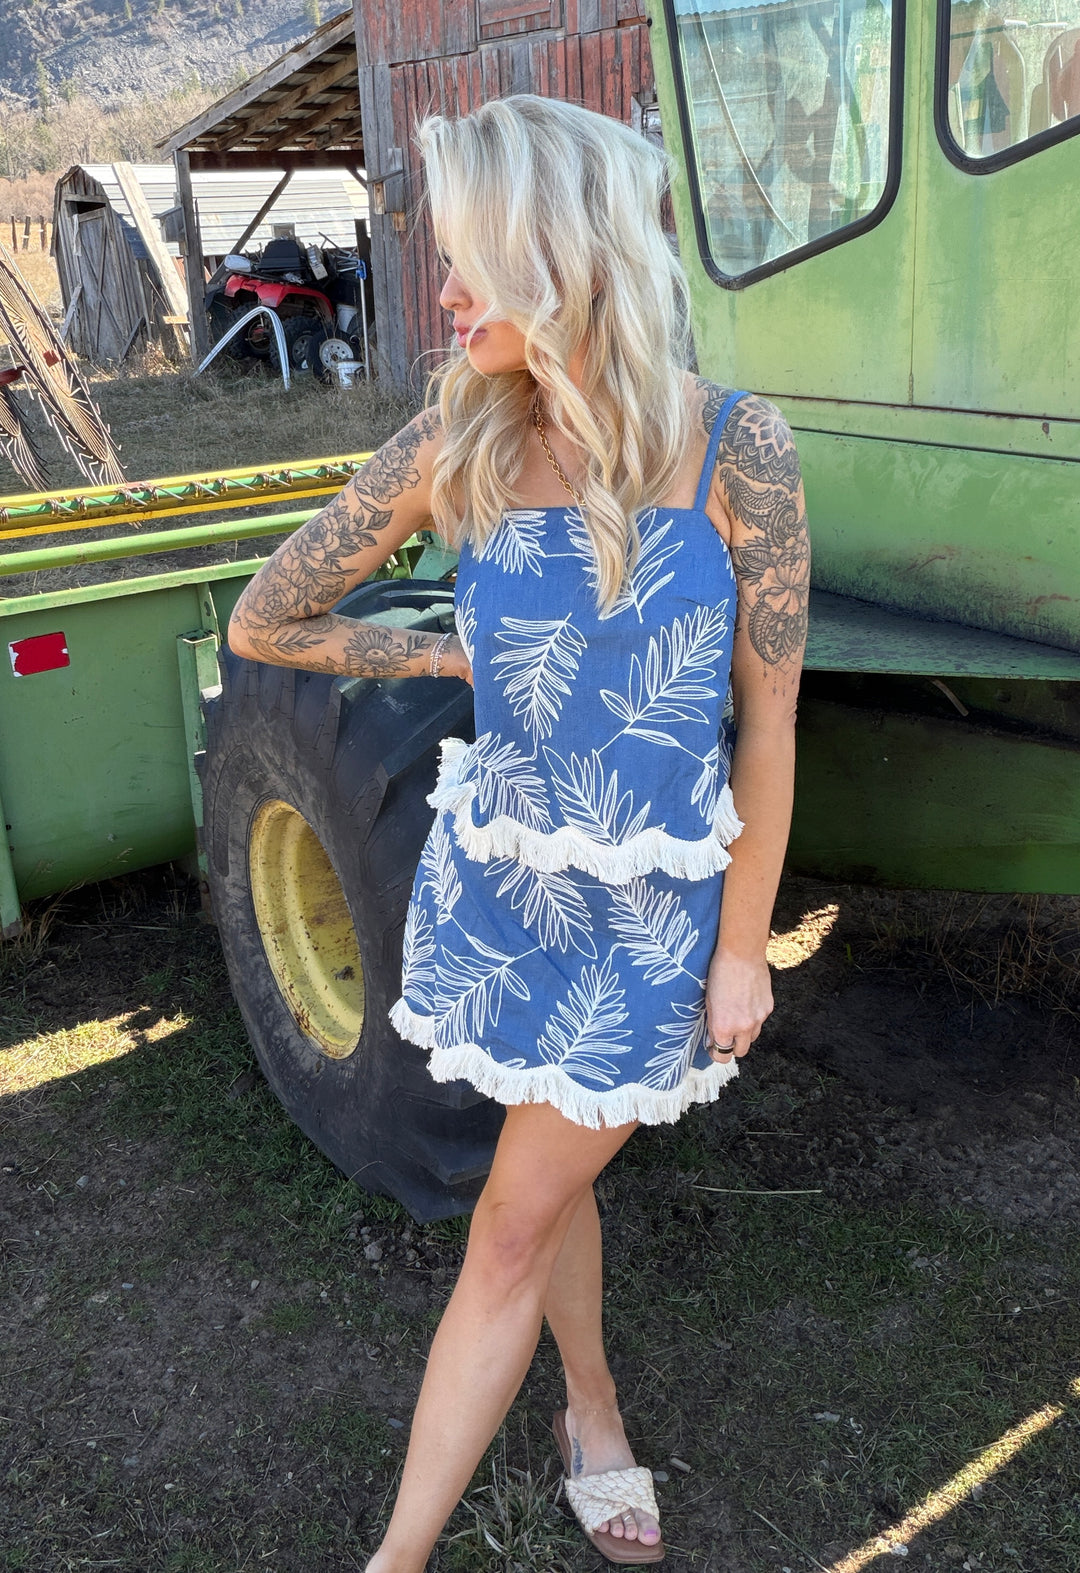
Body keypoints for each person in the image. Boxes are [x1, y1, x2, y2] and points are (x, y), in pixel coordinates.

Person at [229, 94, 808, 1572]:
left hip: (653, 923)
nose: (447, 293)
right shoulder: (460, 439)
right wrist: (435, 661)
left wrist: (744, 945)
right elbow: (271, 615)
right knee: (538, 1179)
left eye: (478, 257)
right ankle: (593, 1407)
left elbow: (770, 725)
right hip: (504, 893)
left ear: (571, 255)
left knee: (507, 1219)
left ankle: (396, 1556)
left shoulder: (739, 449)